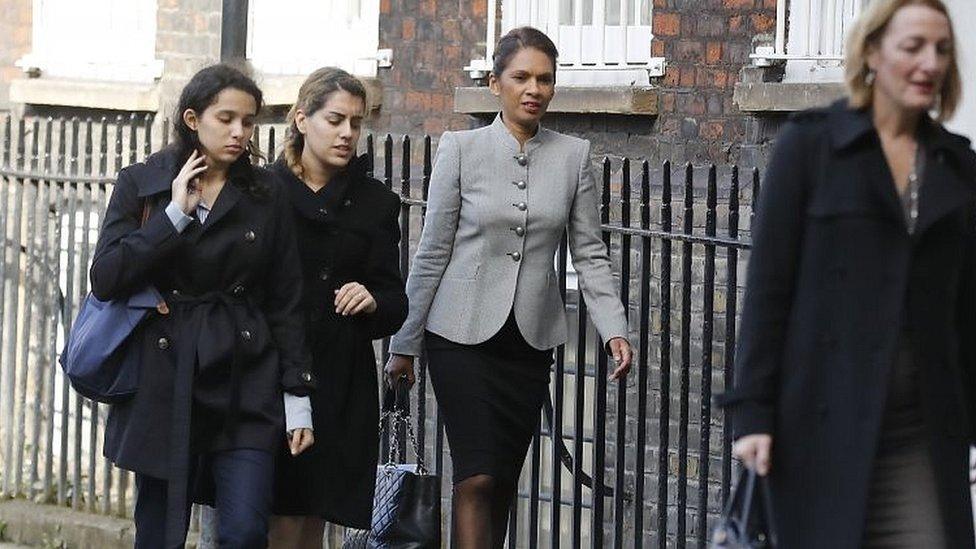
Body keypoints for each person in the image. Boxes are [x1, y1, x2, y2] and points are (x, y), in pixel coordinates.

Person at [719, 1, 976, 546]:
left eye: (942, 50)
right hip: (818, 426)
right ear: (873, 52)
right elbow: (769, 290)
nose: (930, 63)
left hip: (922, 434)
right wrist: (753, 413)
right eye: (913, 47)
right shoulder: (811, 147)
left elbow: (966, 312)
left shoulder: (958, 166)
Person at [385, 26, 633, 548]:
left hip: (527, 343)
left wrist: (615, 329)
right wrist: (404, 343)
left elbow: (589, 253)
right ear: (496, 83)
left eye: (545, 79)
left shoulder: (573, 157)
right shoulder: (460, 149)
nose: (534, 89)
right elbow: (431, 252)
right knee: (474, 476)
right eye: (521, 77)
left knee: (502, 480)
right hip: (458, 335)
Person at [92, 64, 316, 548]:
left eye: (249, 121)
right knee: (160, 534)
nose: (239, 132)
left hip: (246, 374)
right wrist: (173, 217)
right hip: (166, 374)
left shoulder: (265, 192)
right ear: (193, 119)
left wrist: (297, 396)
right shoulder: (144, 183)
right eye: (227, 118)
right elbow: (106, 278)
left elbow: (286, 297)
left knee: (244, 530)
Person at [267, 68, 408, 548]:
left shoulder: (376, 202)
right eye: (335, 119)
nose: (347, 133)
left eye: (356, 122)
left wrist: (372, 299)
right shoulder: (265, 193)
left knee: (317, 514)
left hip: (341, 378)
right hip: (271, 370)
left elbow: (394, 301)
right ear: (302, 120)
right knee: (273, 513)